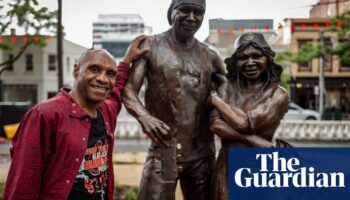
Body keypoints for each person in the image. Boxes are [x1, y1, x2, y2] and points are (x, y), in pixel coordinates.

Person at [3, 35, 148, 200]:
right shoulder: (45, 115)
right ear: (76, 70)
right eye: (94, 69)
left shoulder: (106, 111)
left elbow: (116, 91)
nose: (102, 79)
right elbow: (23, 185)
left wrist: (127, 59)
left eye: (110, 74)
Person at [122, 0, 226, 199]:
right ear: (171, 12)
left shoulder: (211, 55)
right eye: (185, 10)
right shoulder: (150, 45)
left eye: (198, 12)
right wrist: (145, 117)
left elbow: (228, 92)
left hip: (202, 153)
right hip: (164, 149)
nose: (191, 18)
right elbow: (128, 90)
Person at [208, 32, 290, 200]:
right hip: (227, 165)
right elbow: (215, 125)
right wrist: (251, 140)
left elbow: (243, 123)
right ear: (235, 62)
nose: (250, 62)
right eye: (243, 57)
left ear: (268, 59)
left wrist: (214, 100)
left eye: (257, 56)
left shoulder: (278, 95)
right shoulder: (229, 88)